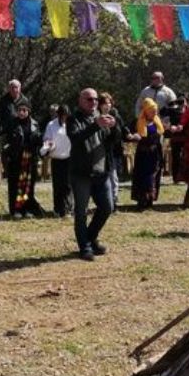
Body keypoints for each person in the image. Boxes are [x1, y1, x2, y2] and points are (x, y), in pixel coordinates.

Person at [68, 88, 117, 261]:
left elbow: (110, 141)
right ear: (80, 100)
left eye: (95, 99)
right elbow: (75, 138)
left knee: (107, 207)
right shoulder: (73, 118)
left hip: (101, 171)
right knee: (81, 212)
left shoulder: (99, 115)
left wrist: (114, 127)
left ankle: (90, 237)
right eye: (89, 99)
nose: (93, 102)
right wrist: (96, 124)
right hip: (82, 173)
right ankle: (85, 247)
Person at [0, 99, 44, 218]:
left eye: (24, 110)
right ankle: (15, 210)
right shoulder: (12, 123)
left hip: (30, 158)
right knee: (15, 185)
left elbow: (40, 139)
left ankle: (26, 209)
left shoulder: (35, 124)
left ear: (29, 111)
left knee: (27, 186)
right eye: (19, 110)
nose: (21, 112)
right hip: (15, 158)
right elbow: (0, 131)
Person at [98, 93, 134, 210]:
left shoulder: (115, 115)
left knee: (113, 176)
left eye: (109, 103)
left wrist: (129, 134)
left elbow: (123, 128)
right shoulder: (96, 116)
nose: (107, 106)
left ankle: (114, 201)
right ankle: (103, 201)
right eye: (104, 103)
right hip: (100, 151)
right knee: (101, 177)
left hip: (115, 150)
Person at [132, 98, 165, 210]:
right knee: (142, 177)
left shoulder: (157, 121)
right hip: (143, 154)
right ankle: (142, 201)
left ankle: (150, 200)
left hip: (154, 153)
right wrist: (134, 136)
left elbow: (161, 134)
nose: (155, 112)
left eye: (155, 110)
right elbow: (134, 135)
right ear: (146, 111)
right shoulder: (139, 122)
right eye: (152, 110)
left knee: (153, 177)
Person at [42, 104, 73, 218]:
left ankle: (68, 209)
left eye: (66, 115)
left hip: (69, 158)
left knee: (68, 185)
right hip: (56, 158)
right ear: (59, 115)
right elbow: (46, 138)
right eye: (62, 115)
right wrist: (49, 143)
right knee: (58, 185)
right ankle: (58, 209)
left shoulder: (72, 123)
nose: (64, 117)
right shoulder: (51, 125)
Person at [165, 95, 187, 183]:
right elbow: (162, 113)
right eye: (180, 102)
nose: (182, 104)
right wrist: (170, 127)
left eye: (183, 102)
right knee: (176, 158)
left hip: (186, 138)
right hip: (176, 138)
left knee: (186, 158)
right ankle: (176, 178)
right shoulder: (173, 111)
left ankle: (186, 177)